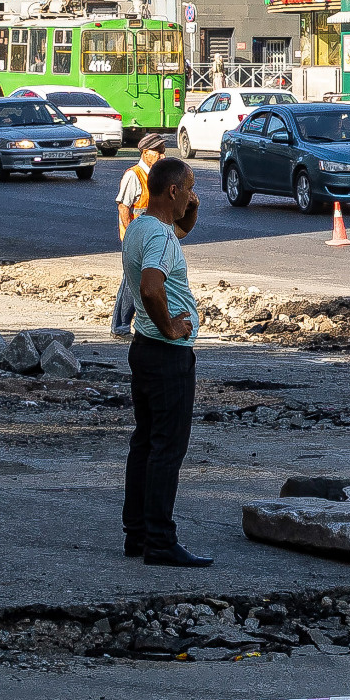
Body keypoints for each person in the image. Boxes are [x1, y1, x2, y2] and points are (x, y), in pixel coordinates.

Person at [121, 155, 207, 567]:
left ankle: (136, 534)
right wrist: (173, 326)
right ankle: (160, 540)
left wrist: (190, 209)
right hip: (167, 353)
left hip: (143, 350)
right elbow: (151, 287)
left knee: (145, 442)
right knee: (166, 450)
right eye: (188, 189)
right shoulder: (160, 238)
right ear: (172, 190)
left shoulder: (141, 227)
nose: (192, 195)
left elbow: (178, 232)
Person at [110, 131, 179, 336]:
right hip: (137, 236)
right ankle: (120, 325)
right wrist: (130, 234)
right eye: (158, 152)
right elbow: (124, 208)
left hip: (154, 236)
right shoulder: (134, 175)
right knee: (131, 282)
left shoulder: (158, 176)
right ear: (145, 152)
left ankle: (147, 323)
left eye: (163, 152)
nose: (162, 156)